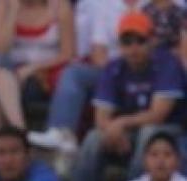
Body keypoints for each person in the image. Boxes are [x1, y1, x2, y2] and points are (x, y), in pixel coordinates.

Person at [71, 11, 184, 181]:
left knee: (148, 134)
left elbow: (158, 114)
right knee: (93, 137)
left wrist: (120, 123)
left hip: (168, 130)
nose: (134, 48)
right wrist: (113, 130)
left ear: (152, 41)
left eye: (140, 40)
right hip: (128, 133)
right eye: (127, 42)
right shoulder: (114, 67)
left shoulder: (167, 63)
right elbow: (101, 117)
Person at [28, 0, 148, 153]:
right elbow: (98, 54)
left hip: (153, 73)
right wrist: (120, 73)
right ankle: (62, 133)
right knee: (74, 73)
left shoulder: (160, 5)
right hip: (112, 73)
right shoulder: (105, 5)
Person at [0, 0, 75, 141]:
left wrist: (32, 68)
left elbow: (68, 54)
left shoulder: (60, 5)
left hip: (43, 76)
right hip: (9, 75)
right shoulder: (2, 6)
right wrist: (12, 11)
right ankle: (20, 133)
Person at [119, 130, 187, 181]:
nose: (160, 161)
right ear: (144, 160)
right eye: (154, 154)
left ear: (178, 160)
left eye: (167, 154)